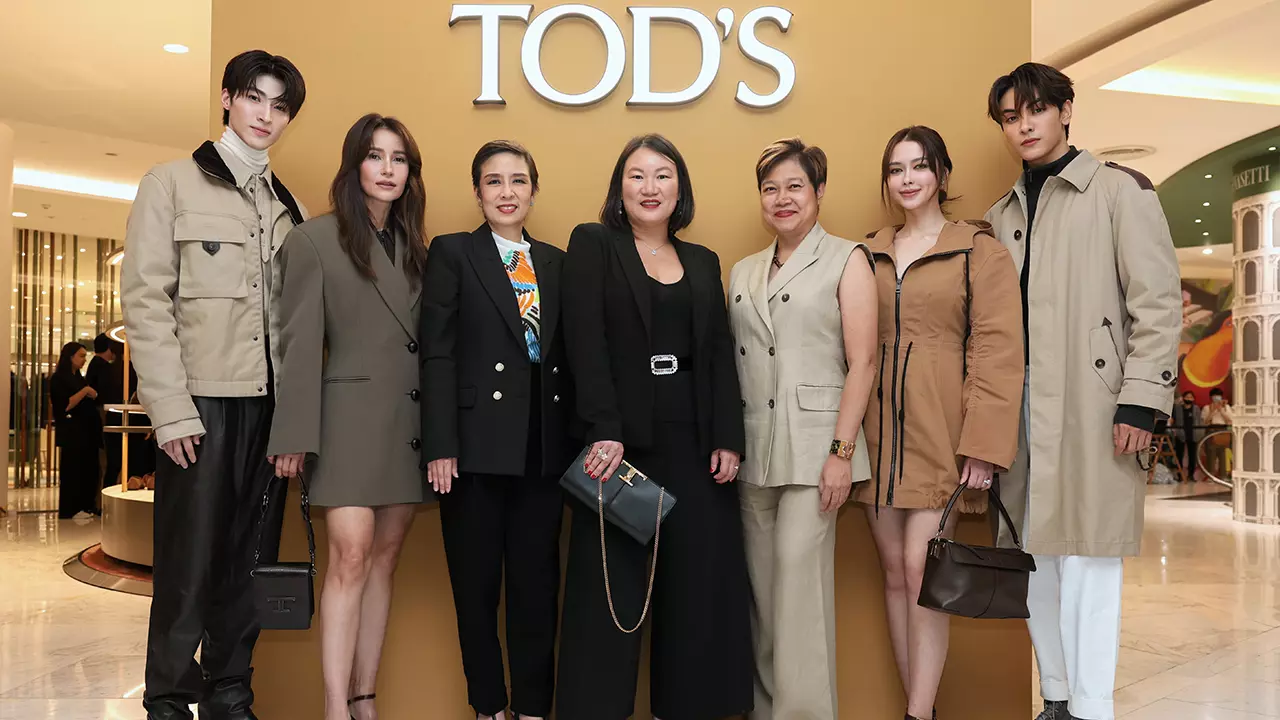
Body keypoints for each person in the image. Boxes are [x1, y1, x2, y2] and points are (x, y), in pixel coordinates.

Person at [984, 62, 1181, 720]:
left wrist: (1141, 402)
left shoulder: (1120, 191)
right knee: (1033, 554)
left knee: (1092, 555)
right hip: (1021, 410)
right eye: (1010, 117)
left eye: (1035, 110)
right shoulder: (1000, 216)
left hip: (1096, 406)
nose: (1024, 126)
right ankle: (1057, 698)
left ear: (1065, 110)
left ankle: (1093, 707)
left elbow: (1158, 305)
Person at [122, 49, 308, 720]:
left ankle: (231, 695)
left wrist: (294, 422)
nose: (265, 115)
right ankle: (169, 701)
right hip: (200, 405)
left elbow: (295, 323)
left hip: (269, 411)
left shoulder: (289, 207)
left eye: (280, 106)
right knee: (188, 566)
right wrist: (170, 410)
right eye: (254, 97)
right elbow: (146, 302)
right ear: (228, 98)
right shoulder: (169, 184)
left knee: (250, 563)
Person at [556, 134, 753, 720]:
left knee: (698, 589)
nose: (650, 187)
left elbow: (718, 353)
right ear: (619, 187)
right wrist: (603, 426)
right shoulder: (594, 244)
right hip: (621, 446)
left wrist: (727, 436)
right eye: (637, 175)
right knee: (609, 595)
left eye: (663, 175)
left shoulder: (703, 260)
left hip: (694, 443)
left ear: (680, 188)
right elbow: (584, 340)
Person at [857, 127, 1024, 720]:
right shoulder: (867, 253)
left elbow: (997, 352)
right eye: (896, 168)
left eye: (919, 166)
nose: (907, 179)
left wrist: (983, 446)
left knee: (921, 569)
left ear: (942, 175)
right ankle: (920, 708)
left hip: (941, 432)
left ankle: (917, 713)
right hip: (876, 436)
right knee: (894, 574)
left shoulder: (979, 251)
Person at [268, 113, 427, 720]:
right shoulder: (314, 240)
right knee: (352, 556)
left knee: (385, 559)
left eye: (399, 159)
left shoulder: (419, 248)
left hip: (407, 425)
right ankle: (335, 706)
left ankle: (365, 698)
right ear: (353, 164)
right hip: (347, 425)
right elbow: (298, 346)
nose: (387, 169)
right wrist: (293, 435)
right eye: (375, 156)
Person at [726, 138, 877, 720]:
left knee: (799, 599)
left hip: (816, 453)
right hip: (753, 452)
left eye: (794, 186)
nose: (782, 198)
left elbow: (863, 362)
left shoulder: (847, 258)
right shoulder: (743, 270)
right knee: (763, 601)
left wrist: (841, 453)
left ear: (818, 191)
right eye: (770, 188)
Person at [422, 140, 574, 720]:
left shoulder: (557, 261)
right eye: (494, 181)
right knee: (475, 590)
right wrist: (440, 444)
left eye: (518, 181)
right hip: (472, 451)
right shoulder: (453, 252)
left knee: (538, 590)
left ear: (534, 190)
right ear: (477, 192)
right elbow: (437, 354)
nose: (507, 192)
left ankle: (533, 709)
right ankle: (488, 707)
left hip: (542, 450)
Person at [50, 341, 103, 519]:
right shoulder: (59, 379)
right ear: (70, 357)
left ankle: (86, 506)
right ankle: (70, 509)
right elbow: (65, 405)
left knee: (87, 470)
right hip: (72, 433)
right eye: (81, 356)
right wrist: (85, 391)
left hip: (86, 433)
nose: (84, 360)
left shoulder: (79, 378)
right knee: (72, 471)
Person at [86, 334, 123, 489]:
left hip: (100, 418)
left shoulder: (96, 365)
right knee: (110, 461)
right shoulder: (103, 367)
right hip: (104, 417)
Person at [1169, 391, 1202, 481]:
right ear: (1183, 398)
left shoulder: (1196, 409)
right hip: (1180, 434)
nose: (1189, 399)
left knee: (1192, 456)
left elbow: (1200, 421)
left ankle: (1191, 475)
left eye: (1190, 397)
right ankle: (1179, 475)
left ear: (1193, 399)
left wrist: (1199, 433)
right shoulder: (1177, 408)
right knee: (1179, 455)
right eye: (1187, 397)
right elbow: (1172, 420)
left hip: (1193, 434)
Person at [1202, 388, 1232, 478]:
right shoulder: (1207, 407)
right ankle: (1211, 476)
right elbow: (1205, 422)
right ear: (1211, 397)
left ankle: (1223, 475)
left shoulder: (1227, 407)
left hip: (1223, 431)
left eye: (1218, 396)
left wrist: (1221, 410)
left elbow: (1230, 421)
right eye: (1214, 396)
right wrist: (1213, 411)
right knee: (1211, 454)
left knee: (1223, 454)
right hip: (1211, 431)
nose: (1216, 398)